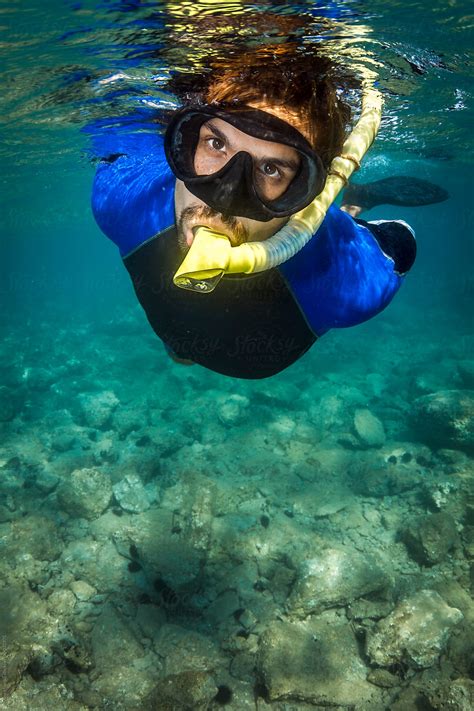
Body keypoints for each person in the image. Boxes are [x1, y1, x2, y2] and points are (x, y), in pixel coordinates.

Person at [91, 45, 444, 379]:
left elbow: (401, 241)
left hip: (323, 236)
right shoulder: (123, 198)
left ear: (304, 194)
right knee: (180, 353)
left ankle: (351, 208)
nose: (223, 199)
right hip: (182, 335)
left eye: (271, 169)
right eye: (216, 143)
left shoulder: (345, 283)